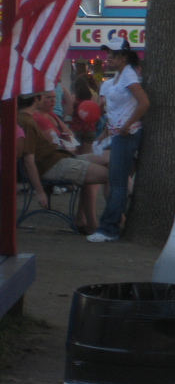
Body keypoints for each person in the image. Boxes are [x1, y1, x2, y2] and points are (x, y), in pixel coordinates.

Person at [17, 93, 109, 234]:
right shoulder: (28, 122)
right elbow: (29, 161)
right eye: (46, 96)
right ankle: (110, 222)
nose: (52, 100)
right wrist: (40, 192)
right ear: (36, 99)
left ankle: (91, 222)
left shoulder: (28, 119)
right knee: (110, 174)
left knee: (110, 159)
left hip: (58, 158)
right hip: (52, 164)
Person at [88, 38, 150, 243]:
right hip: (118, 134)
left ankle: (109, 228)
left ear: (124, 57)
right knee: (116, 182)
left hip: (126, 134)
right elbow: (115, 110)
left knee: (117, 182)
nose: (108, 59)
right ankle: (109, 225)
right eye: (108, 55)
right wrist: (106, 132)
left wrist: (126, 126)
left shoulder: (129, 77)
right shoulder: (120, 76)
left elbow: (143, 103)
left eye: (113, 55)